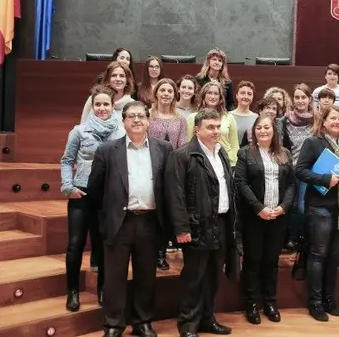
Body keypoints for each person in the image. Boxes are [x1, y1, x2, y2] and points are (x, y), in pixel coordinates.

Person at [87, 101, 173, 337]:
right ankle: (114, 324)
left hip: (149, 222)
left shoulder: (164, 149)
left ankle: (142, 322)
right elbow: (94, 190)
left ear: (149, 121)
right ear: (123, 121)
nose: (136, 120)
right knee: (114, 278)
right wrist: (105, 220)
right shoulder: (107, 150)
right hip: (119, 223)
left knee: (146, 276)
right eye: (131, 116)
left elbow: (170, 188)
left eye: (141, 116)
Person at [166, 109, 239, 337]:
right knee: (194, 278)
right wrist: (182, 228)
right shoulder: (182, 155)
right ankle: (188, 325)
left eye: (218, 126)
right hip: (197, 226)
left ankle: (207, 319)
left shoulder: (222, 153)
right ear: (197, 129)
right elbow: (174, 194)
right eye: (210, 127)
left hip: (222, 224)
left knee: (213, 276)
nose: (216, 131)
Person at [61, 85, 124, 312]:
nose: (101, 108)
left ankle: (103, 289)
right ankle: (73, 291)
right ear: (91, 106)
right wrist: (69, 187)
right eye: (97, 104)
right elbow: (67, 160)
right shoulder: (79, 131)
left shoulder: (121, 132)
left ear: (112, 105)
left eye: (106, 104)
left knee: (104, 245)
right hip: (81, 193)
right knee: (75, 244)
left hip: (108, 197)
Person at [295, 105, 339, 322]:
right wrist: (324, 180)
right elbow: (300, 171)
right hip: (319, 206)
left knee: (333, 256)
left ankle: (329, 299)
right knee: (318, 254)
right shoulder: (313, 142)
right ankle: (315, 303)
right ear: (323, 121)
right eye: (333, 119)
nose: (337, 122)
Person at [234, 115, 295, 325]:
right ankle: (251, 304)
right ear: (254, 131)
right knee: (253, 261)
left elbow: (290, 185)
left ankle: (269, 302)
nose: (262, 131)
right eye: (258, 128)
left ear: (274, 130)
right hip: (254, 217)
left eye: (266, 127)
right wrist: (259, 208)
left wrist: (282, 208)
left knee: (271, 261)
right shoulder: (245, 153)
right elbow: (240, 183)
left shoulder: (284, 153)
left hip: (278, 217)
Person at [148, 78, 188, 270]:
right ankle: (151, 251)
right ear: (156, 93)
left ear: (175, 94)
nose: (165, 94)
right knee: (153, 212)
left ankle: (162, 253)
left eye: (169, 91)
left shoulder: (180, 119)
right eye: (162, 90)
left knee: (166, 212)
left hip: (172, 171)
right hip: (149, 169)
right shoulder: (148, 115)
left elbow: (181, 147)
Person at [281, 84, 315, 249]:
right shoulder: (285, 120)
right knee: (289, 205)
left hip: (308, 171)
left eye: (303, 97)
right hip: (288, 170)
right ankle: (291, 238)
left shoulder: (317, 120)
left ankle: (302, 237)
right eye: (297, 97)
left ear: (309, 99)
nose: (300, 100)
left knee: (302, 207)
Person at [186, 81, 239, 167]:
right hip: (201, 162)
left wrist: (233, 163)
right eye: (209, 93)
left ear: (220, 97)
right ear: (203, 96)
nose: (212, 96)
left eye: (216, 94)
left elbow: (235, 145)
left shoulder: (229, 117)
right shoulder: (193, 117)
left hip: (227, 162)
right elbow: (189, 143)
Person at [195, 47, 235, 112]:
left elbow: (230, 104)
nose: (217, 62)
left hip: (221, 114)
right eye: (214, 59)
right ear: (208, 62)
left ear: (222, 65)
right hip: (202, 113)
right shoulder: (199, 79)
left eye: (220, 60)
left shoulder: (227, 83)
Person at [230, 81, 259, 146]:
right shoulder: (227, 116)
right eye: (242, 93)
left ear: (253, 97)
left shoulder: (257, 118)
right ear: (237, 95)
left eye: (249, 94)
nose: (246, 96)